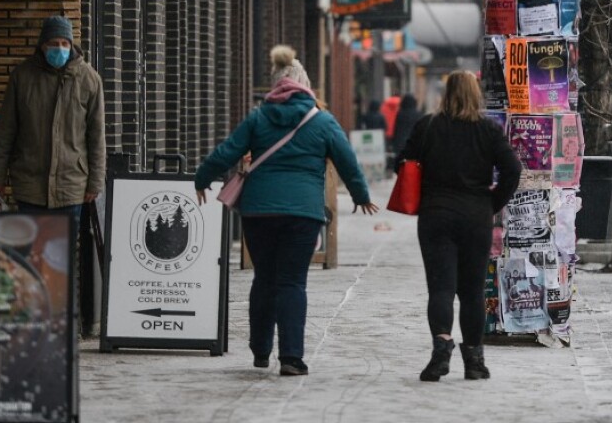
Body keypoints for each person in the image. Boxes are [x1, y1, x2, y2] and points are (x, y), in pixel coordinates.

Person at [195, 45, 380, 376]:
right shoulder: (322, 120)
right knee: (293, 282)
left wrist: (202, 178)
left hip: (259, 211)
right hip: (303, 214)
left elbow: (227, 151)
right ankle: (292, 358)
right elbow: (347, 160)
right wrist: (360, 194)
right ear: (305, 85)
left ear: (275, 86)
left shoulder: (258, 117)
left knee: (264, 277)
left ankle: (261, 350)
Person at [396, 70, 522, 382]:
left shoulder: (427, 126)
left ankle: (441, 350)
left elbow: (401, 161)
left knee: (440, 287)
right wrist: (493, 202)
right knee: (472, 290)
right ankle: (475, 362)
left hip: (436, 215)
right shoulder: (488, 130)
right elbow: (513, 168)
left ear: (446, 93)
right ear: (475, 94)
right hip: (476, 216)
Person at [0, 14, 105, 224]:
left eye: (64, 43)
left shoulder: (89, 79)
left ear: (71, 45)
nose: (59, 48)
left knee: (65, 251)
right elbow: (5, 132)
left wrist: (95, 183)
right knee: (32, 250)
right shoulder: (22, 77)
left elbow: (96, 136)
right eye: (53, 43)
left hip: (71, 185)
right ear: (43, 46)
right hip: (29, 184)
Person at [390, 94, 420, 158]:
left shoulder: (400, 113)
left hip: (400, 142)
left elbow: (396, 128)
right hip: (414, 143)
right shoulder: (418, 114)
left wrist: (393, 140)